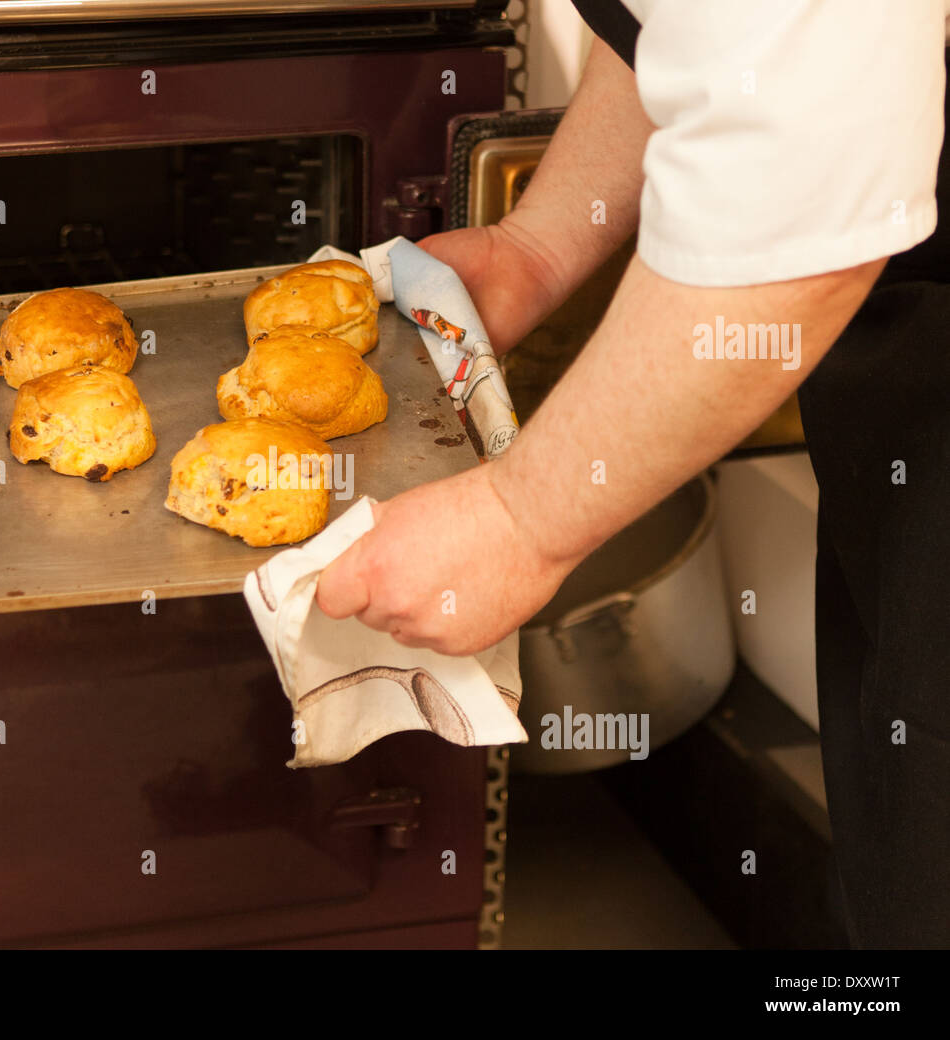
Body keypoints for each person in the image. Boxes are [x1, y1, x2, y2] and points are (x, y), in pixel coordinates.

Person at [316, 1, 950, 949]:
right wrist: (536, 249)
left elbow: (810, 158)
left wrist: (520, 521)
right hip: (908, 353)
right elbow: (697, 32)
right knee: (899, 819)